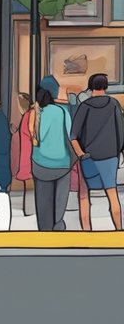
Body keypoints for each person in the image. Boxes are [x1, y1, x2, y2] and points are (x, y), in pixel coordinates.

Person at [71, 73, 124, 231]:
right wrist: (117, 152)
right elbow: (121, 132)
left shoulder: (84, 107)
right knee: (112, 194)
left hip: (88, 159)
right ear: (106, 86)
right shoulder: (114, 104)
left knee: (84, 196)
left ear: (91, 87)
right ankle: (119, 230)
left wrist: (81, 155)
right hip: (110, 157)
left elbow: (73, 136)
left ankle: (87, 233)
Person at [32, 76, 74, 231]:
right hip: (63, 164)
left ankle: (45, 230)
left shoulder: (38, 112)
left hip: (41, 164)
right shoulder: (63, 112)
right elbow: (70, 135)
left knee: (43, 201)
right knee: (60, 198)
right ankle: (58, 225)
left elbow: (38, 136)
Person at [13, 93, 35, 214]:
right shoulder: (28, 114)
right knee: (29, 180)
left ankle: (30, 209)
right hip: (27, 151)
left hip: (28, 152)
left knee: (29, 180)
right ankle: (29, 208)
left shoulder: (29, 114)